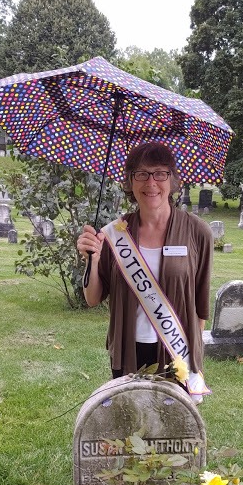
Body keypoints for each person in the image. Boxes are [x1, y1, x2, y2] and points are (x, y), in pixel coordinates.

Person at [77, 142, 213, 400]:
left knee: (171, 431)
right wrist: (92, 260)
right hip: (129, 351)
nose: (151, 182)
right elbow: (93, 299)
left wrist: (193, 359)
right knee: (131, 428)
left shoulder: (198, 232)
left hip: (177, 352)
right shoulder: (114, 234)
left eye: (160, 173)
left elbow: (201, 305)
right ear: (130, 181)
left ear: (173, 180)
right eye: (141, 173)